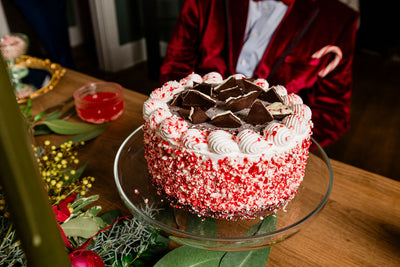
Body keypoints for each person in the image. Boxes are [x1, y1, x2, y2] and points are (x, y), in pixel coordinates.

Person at [159, 0, 359, 148]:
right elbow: (175, 69)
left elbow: (333, 112)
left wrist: (279, 148)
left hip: (270, 150)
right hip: (196, 138)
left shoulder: (337, 20)